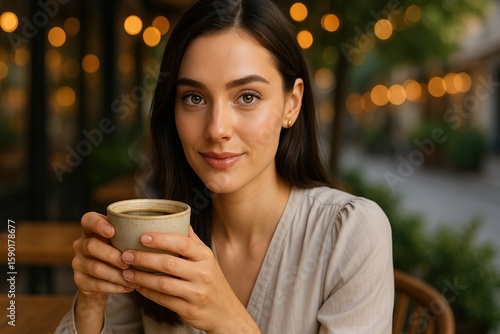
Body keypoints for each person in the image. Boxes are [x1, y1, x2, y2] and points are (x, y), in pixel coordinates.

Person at [56, 0, 394, 333]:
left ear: (291, 104)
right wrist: (90, 302)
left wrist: (229, 321)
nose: (217, 129)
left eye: (247, 96)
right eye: (194, 97)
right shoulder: (153, 231)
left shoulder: (351, 234)